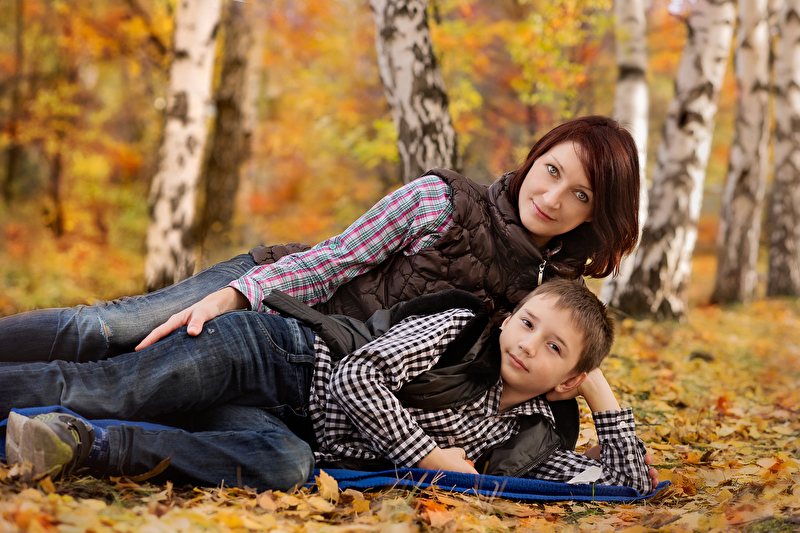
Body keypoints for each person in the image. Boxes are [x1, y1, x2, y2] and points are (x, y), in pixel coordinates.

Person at [0, 115, 640, 364]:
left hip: (301, 368)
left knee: (131, 371)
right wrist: (235, 296)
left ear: (596, 216)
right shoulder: (440, 202)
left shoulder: (548, 297)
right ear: (534, 156)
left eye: (581, 195)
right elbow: (332, 260)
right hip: (271, 289)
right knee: (108, 331)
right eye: (551, 170)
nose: (553, 197)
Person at [2, 279, 657, 495]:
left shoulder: (530, 436)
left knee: (287, 466)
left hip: (285, 426)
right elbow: (356, 375)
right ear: (510, 317)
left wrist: (598, 390)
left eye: (554, 349)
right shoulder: (461, 331)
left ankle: (84, 444)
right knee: (108, 387)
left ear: (568, 379)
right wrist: (427, 454)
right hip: (268, 358)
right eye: (529, 323)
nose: (528, 344)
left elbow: (627, 487)